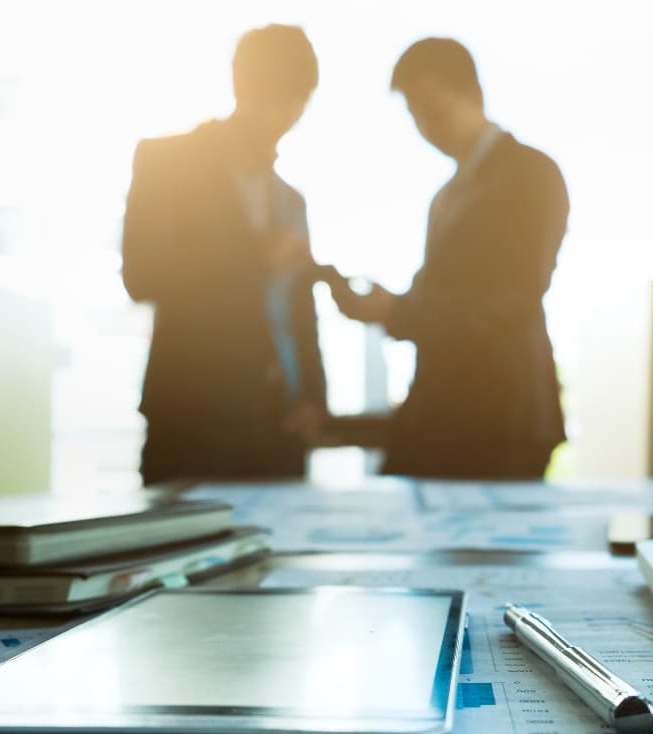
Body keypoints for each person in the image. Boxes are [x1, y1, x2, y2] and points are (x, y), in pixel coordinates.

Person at [332, 38, 570, 479]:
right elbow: (441, 295)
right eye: (416, 115)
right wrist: (388, 308)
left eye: (434, 110)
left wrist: (399, 309)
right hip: (444, 415)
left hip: (501, 416)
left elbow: (514, 299)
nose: (427, 127)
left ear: (474, 96)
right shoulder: (447, 195)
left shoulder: (531, 174)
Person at [121, 24, 327, 485]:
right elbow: (142, 274)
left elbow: (299, 309)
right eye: (273, 99)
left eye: (296, 102)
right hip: (195, 418)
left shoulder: (291, 200)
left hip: (282, 428)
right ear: (240, 88)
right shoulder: (166, 163)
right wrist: (254, 257)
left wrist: (313, 397)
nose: (283, 117)